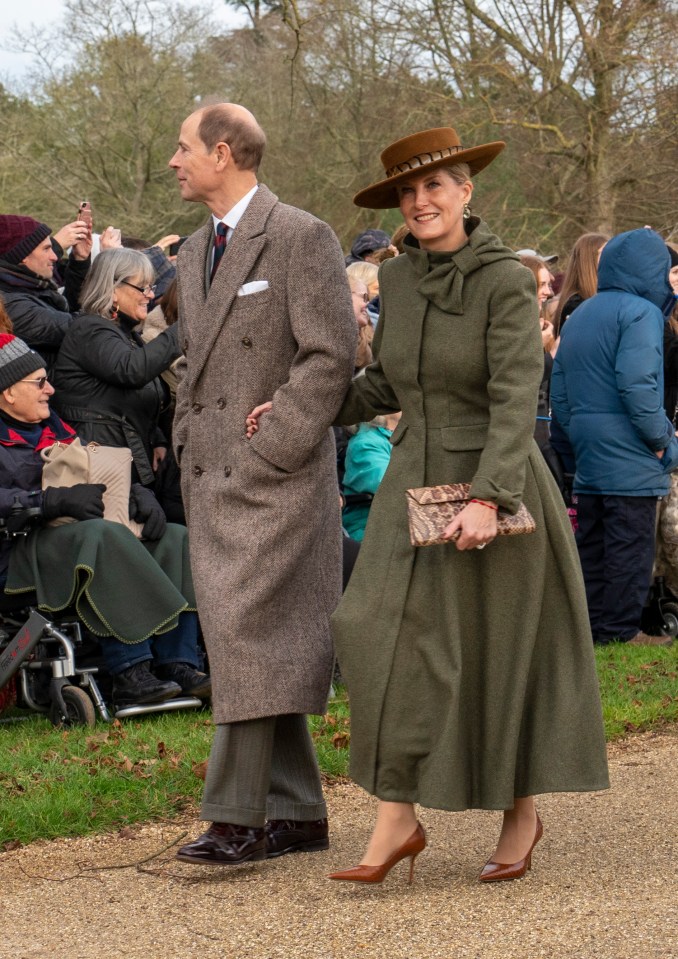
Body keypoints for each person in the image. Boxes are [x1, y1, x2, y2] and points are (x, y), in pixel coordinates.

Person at [265, 125, 609, 885]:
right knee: (373, 629)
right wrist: (300, 407)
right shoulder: (403, 279)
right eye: (407, 192)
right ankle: (399, 814)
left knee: (497, 647)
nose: (421, 202)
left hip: (500, 483)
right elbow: (390, 383)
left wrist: (491, 496)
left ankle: (520, 810)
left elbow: (518, 393)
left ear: (466, 192)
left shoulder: (507, 279)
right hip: (412, 479)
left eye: (435, 186)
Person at [168, 102, 356, 866]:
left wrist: (277, 444)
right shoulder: (188, 249)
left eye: (184, 148)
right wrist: (184, 433)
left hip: (275, 478)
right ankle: (299, 812)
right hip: (209, 475)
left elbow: (330, 354)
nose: (174, 161)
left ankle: (237, 816)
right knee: (253, 640)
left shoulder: (301, 235)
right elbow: (194, 360)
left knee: (247, 636)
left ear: (223, 151)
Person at [0, 334, 209, 707]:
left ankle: (179, 663)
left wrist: (133, 494)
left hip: (70, 537)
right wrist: (49, 501)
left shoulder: (56, 427)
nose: (51, 389)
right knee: (100, 536)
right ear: (8, 392)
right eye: (39, 382)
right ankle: (130, 670)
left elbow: (95, 470)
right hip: (17, 550)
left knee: (174, 538)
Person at [551, 228, 678, 646]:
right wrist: (663, 439)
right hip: (631, 453)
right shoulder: (642, 313)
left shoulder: (582, 313)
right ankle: (622, 633)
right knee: (630, 548)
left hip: (589, 450)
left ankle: (592, 633)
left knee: (593, 546)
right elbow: (638, 386)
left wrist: (579, 438)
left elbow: (561, 392)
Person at [52, 249, 180, 490]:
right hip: (98, 470)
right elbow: (132, 371)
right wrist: (184, 327)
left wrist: (157, 439)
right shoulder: (90, 330)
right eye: (143, 287)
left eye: (151, 287)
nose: (150, 295)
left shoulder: (126, 335)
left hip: (126, 461)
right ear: (112, 289)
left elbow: (146, 397)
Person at [0, 215, 120, 374]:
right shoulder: (9, 305)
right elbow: (81, 328)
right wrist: (111, 265)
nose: (55, 256)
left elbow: (68, 310)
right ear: (22, 256)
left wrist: (80, 261)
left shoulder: (31, 286)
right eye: (46, 248)